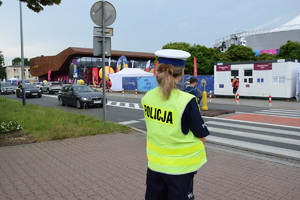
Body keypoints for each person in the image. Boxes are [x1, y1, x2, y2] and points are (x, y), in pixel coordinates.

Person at [141, 49, 210, 200]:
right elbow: (202, 138)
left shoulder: (148, 97)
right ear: (181, 73)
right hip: (180, 171)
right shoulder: (186, 101)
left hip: (155, 166)